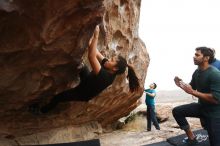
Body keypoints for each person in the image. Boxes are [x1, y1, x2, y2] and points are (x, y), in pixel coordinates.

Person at [30, 25, 140, 114]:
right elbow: (95, 52)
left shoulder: (106, 77)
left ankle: (41, 111)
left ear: (115, 68)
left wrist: (96, 36)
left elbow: (91, 56)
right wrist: (90, 40)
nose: (109, 59)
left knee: (58, 98)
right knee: (80, 65)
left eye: (112, 59)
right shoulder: (108, 66)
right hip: (88, 80)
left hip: (82, 93)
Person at [172, 47, 220, 146]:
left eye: (197, 55)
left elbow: (216, 100)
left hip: (214, 114)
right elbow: (191, 87)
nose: (194, 57)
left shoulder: (215, 74)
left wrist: (193, 92)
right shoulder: (197, 72)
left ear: (206, 58)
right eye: (195, 54)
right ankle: (192, 138)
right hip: (202, 108)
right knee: (177, 111)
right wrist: (181, 84)